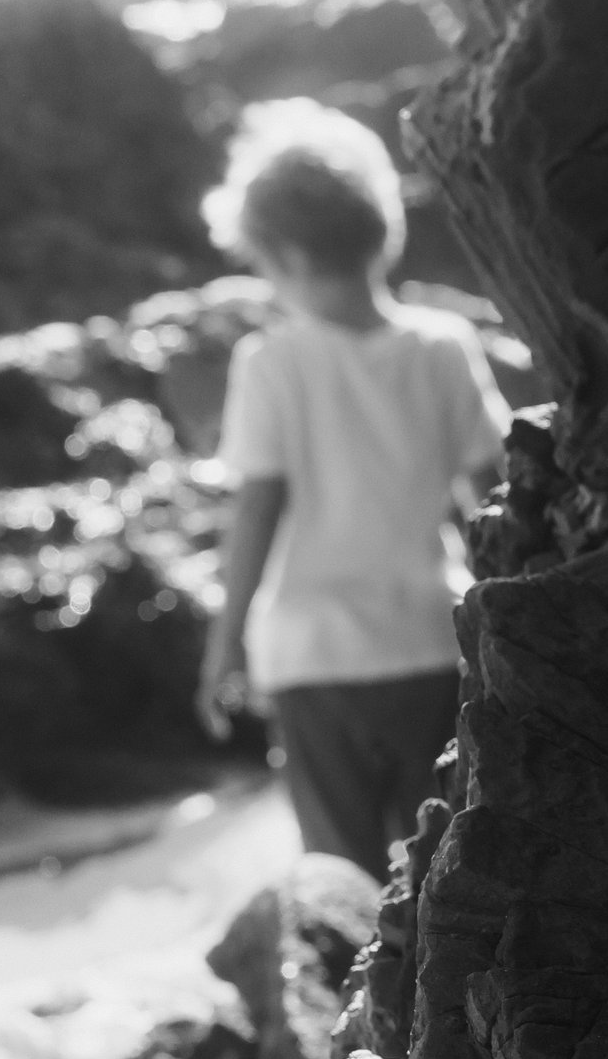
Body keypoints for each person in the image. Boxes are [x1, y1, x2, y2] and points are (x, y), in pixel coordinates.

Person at [195, 100, 507, 879]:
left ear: (288, 259)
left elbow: (258, 508)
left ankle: (355, 998)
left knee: (338, 869)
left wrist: (225, 639)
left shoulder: (273, 364)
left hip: (315, 659)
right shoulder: (443, 348)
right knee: (438, 857)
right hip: (429, 643)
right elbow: (491, 496)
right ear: (382, 231)